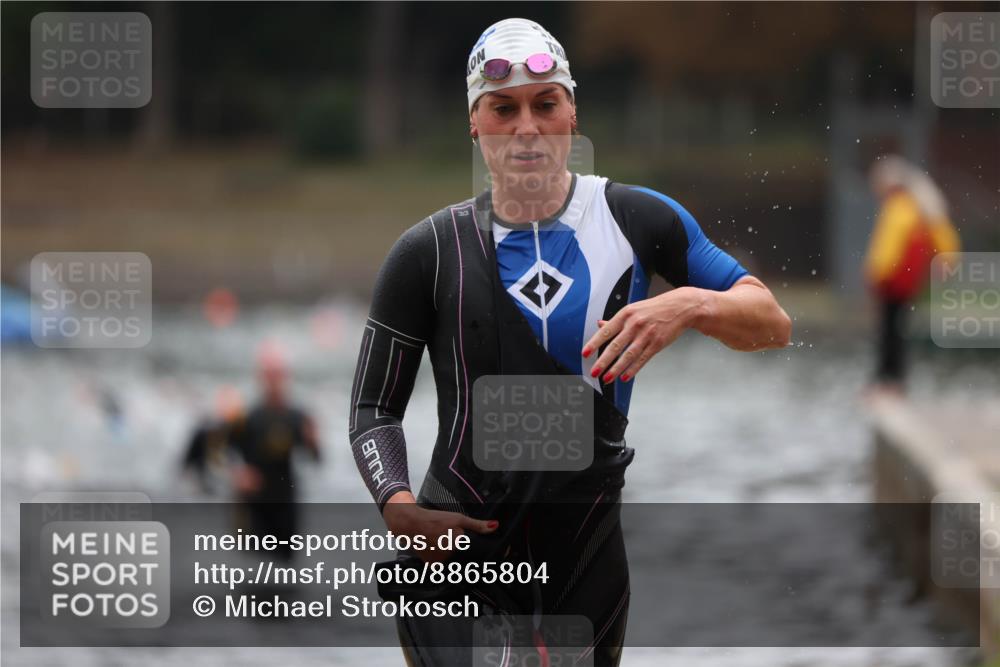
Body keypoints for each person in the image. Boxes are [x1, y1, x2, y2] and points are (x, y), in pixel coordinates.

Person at [348, 17, 791, 666]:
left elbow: (772, 321)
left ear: (572, 114)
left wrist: (688, 304)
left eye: (544, 104)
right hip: (456, 549)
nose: (526, 126)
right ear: (475, 122)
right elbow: (371, 409)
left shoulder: (638, 220)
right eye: (504, 108)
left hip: (583, 557)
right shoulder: (428, 254)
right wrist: (398, 503)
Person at [864, 155, 960, 392]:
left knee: (890, 331)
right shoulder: (917, 207)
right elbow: (944, 238)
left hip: (894, 282)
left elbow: (888, 247)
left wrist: (875, 274)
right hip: (906, 282)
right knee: (896, 330)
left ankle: (888, 380)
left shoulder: (900, 207)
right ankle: (892, 379)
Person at [230, 341, 322, 560]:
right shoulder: (247, 417)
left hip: (285, 502)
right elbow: (225, 456)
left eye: (278, 374)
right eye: (269, 374)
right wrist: (238, 475)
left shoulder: (297, 416)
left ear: (286, 377)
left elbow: (316, 460)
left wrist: (313, 441)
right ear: (260, 377)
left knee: (285, 573)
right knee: (252, 569)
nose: (273, 381)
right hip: (254, 504)